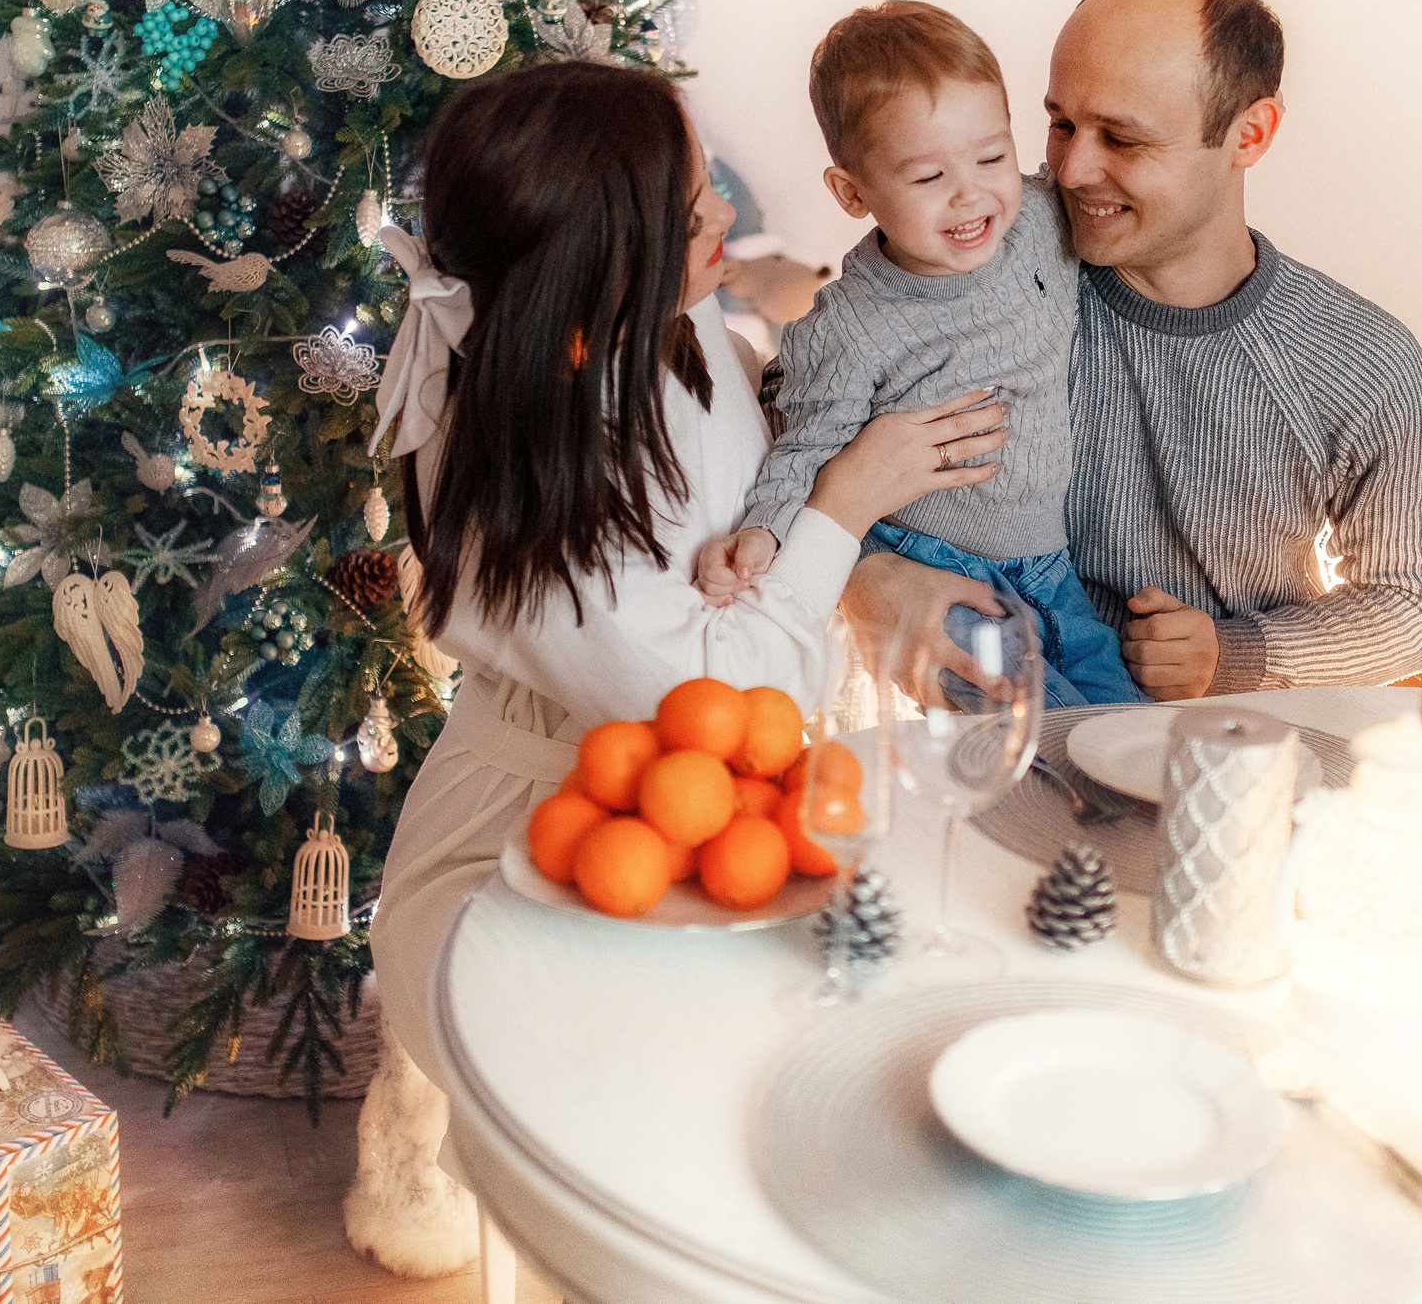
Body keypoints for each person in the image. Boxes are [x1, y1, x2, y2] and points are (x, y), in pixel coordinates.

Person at [350, 61, 1006, 1276]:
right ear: (600, 259)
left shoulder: (675, 313)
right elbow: (735, 702)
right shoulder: (524, 479)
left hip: (717, 808)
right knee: (645, 1186)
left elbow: (743, 525)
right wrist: (844, 501)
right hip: (538, 848)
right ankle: (428, 1124)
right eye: (690, 206)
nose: (721, 219)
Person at [844, 0, 1422, 698]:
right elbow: (798, 422)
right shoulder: (986, 262)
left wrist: (1235, 653)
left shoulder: (1366, 363)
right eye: (1061, 123)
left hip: (1221, 766)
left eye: (1124, 140)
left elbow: (1418, 603)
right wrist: (862, 579)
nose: (1072, 170)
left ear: (1250, 134)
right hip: (988, 756)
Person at [691, 0, 1142, 708]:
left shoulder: (1043, 221)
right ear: (852, 192)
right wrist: (761, 533)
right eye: (929, 177)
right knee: (1038, 739)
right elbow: (805, 444)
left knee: (1128, 732)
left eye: (992, 156)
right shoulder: (852, 324)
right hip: (940, 566)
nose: (971, 194)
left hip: (1053, 567)